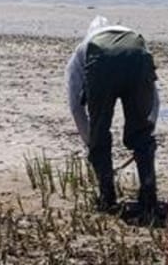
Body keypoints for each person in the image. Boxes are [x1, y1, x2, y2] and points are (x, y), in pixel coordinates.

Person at [65, 16, 161, 222]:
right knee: (141, 136)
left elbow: (75, 106)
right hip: (138, 58)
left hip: (102, 64)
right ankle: (149, 195)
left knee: (99, 132)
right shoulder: (132, 37)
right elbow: (154, 97)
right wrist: (148, 128)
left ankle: (107, 197)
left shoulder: (82, 51)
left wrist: (91, 141)